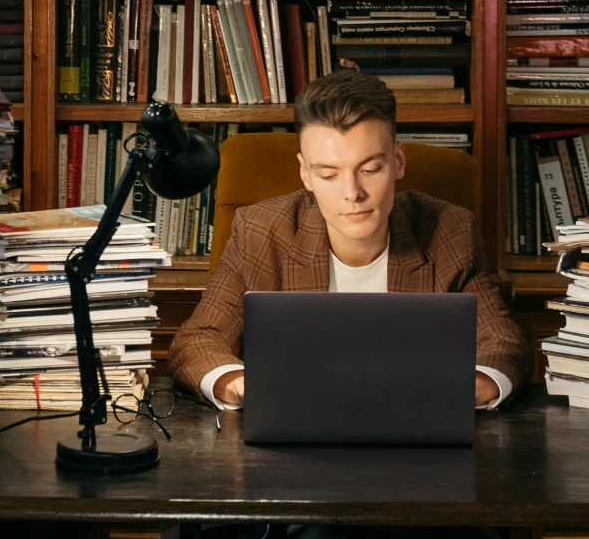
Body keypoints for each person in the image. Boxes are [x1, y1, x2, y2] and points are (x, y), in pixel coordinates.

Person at [171, 70, 528, 413]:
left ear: (399, 160)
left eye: (370, 169)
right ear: (305, 174)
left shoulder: (451, 230)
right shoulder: (260, 231)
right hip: (291, 444)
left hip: (412, 443)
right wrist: (240, 384)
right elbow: (199, 338)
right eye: (328, 174)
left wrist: (466, 389)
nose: (352, 193)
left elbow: (503, 343)